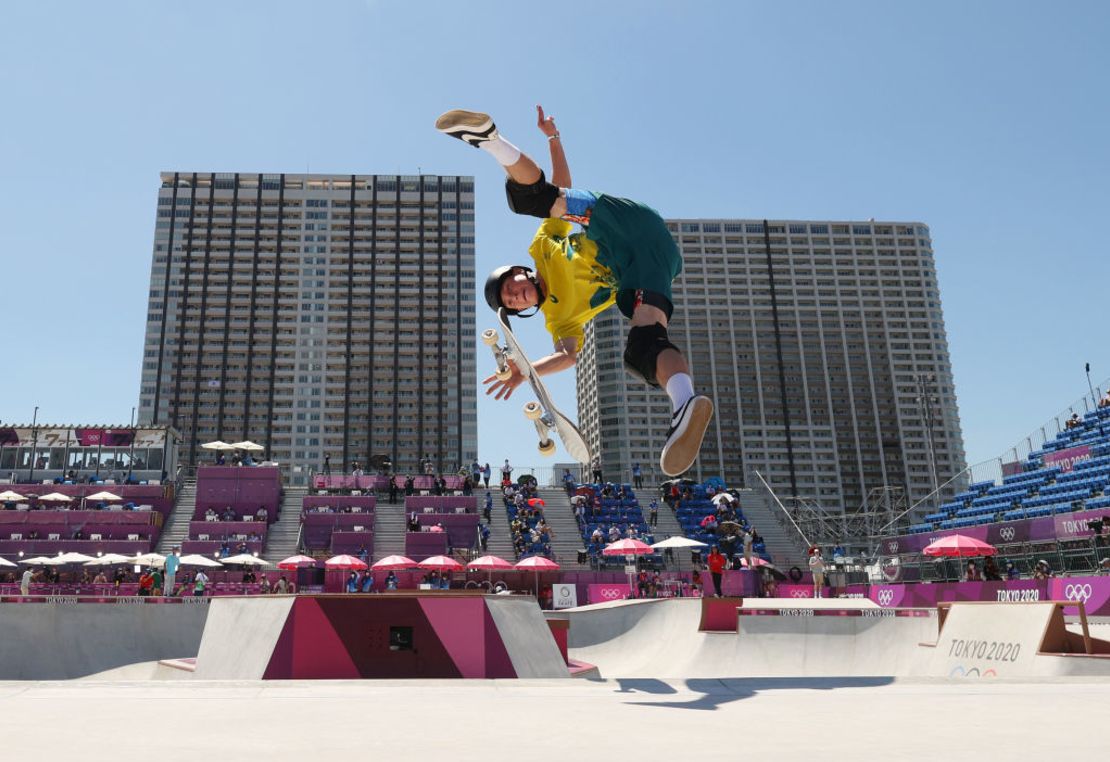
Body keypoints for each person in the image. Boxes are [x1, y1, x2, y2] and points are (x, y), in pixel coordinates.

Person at [438, 105, 714, 476]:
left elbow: (560, 187)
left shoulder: (542, 248)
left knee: (536, 200)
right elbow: (567, 356)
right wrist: (526, 371)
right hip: (651, 263)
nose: (515, 296)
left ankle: (489, 140)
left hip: (617, 222)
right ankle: (685, 403)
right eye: (510, 302)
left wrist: (553, 138)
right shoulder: (559, 318)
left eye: (511, 287)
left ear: (521, 272)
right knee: (643, 345)